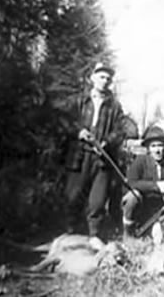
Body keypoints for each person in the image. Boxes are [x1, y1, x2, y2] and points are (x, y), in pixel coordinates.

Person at [63, 63, 125, 245]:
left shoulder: (114, 106)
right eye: (101, 77)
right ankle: (70, 232)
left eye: (108, 79)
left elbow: (120, 130)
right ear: (92, 78)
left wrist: (106, 143)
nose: (105, 81)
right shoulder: (79, 101)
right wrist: (79, 132)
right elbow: (66, 121)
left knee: (97, 201)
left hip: (102, 159)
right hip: (79, 155)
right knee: (72, 196)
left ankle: (94, 236)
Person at [121, 126, 164, 239]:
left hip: (160, 211)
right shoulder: (140, 161)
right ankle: (128, 232)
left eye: (160, 145)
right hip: (141, 207)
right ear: (148, 149)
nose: (157, 150)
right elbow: (131, 182)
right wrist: (156, 186)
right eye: (153, 146)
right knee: (132, 197)